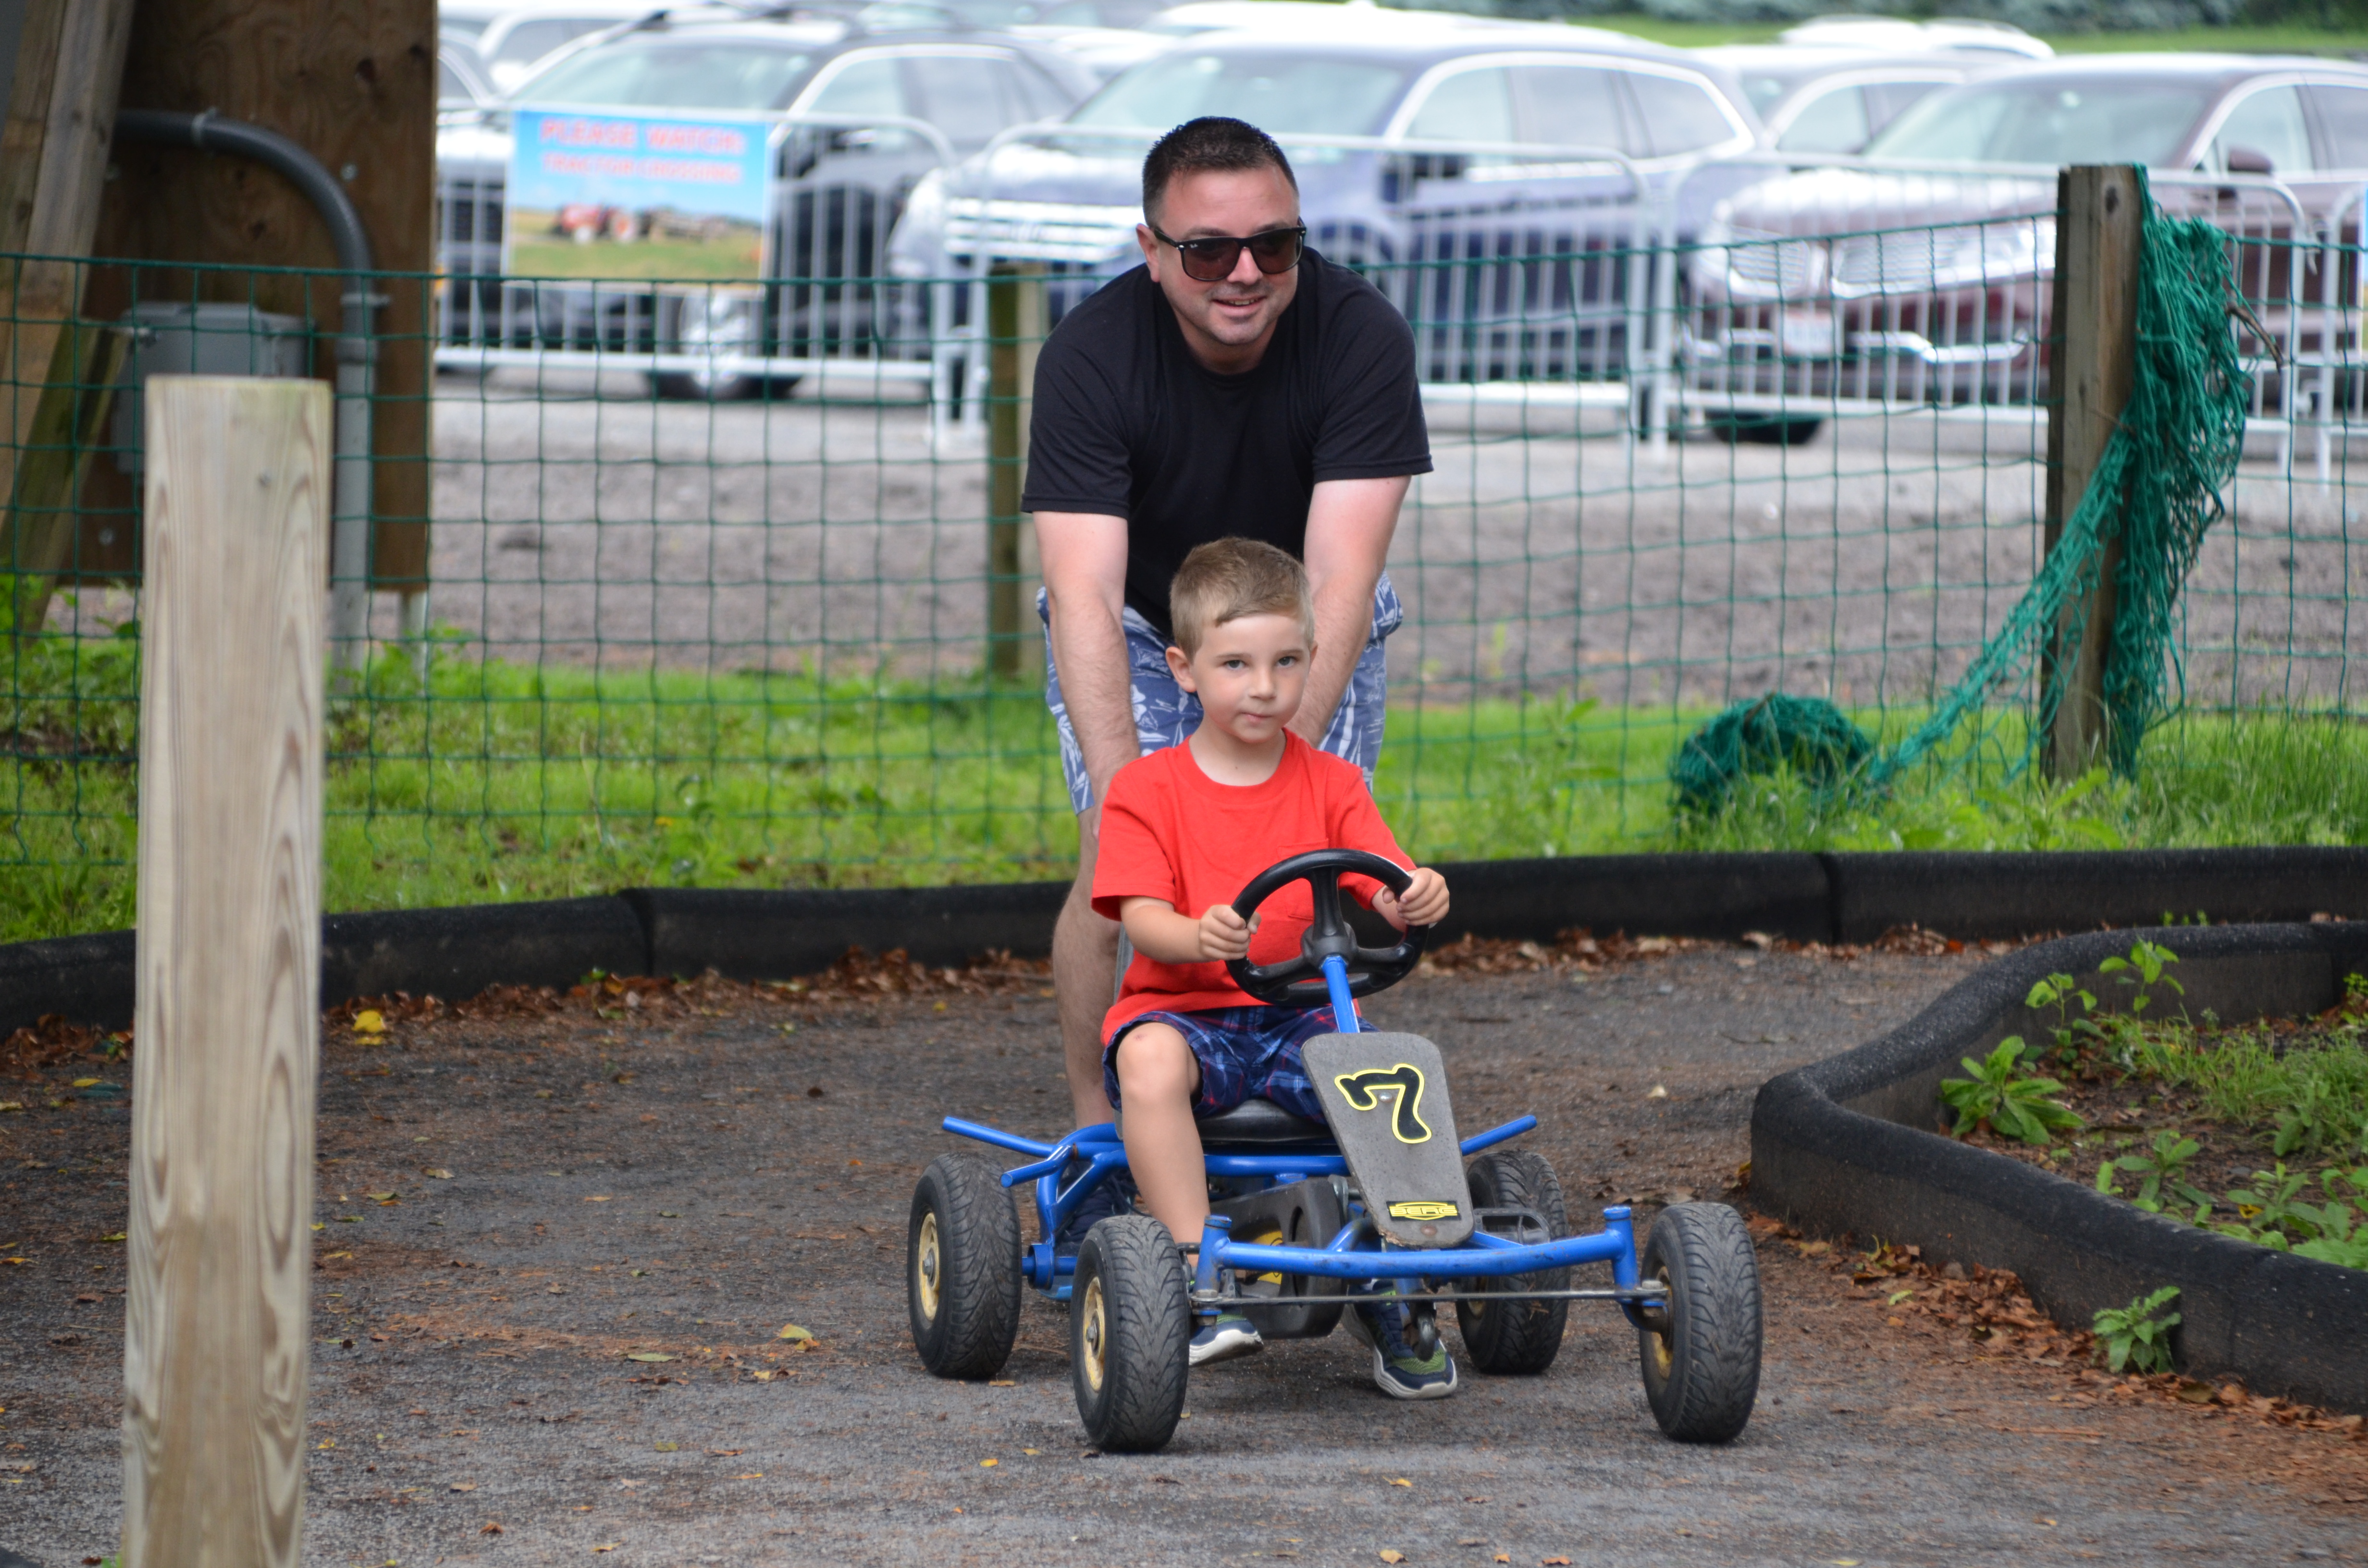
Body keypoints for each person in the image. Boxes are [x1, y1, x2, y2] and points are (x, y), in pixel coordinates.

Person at [1024, 115, 1431, 1244]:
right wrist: (1139, 805)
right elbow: (1084, 594)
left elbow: (1341, 580)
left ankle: (1303, 1115)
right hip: (1146, 620)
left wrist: (1279, 750)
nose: (1245, 272)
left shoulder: (1359, 336)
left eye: (1274, 244)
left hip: (1299, 620)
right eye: (1208, 250)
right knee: (1118, 859)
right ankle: (1103, 1124)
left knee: (1316, 861)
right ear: (1153, 251)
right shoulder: (1092, 356)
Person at [1090, 538, 1457, 1399]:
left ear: (1312, 659)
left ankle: (1389, 1280)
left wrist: (1414, 896)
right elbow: (1139, 919)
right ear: (1184, 670)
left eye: (1285, 662)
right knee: (1146, 1061)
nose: (1264, 686)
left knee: (1385, 1071)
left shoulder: (1333, 784)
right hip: (1188, 1015)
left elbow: (1381, 884)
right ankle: (1202, 1273)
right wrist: (1195, 936)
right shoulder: (1146, 791)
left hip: (1300, 1015)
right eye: (1237, 664)